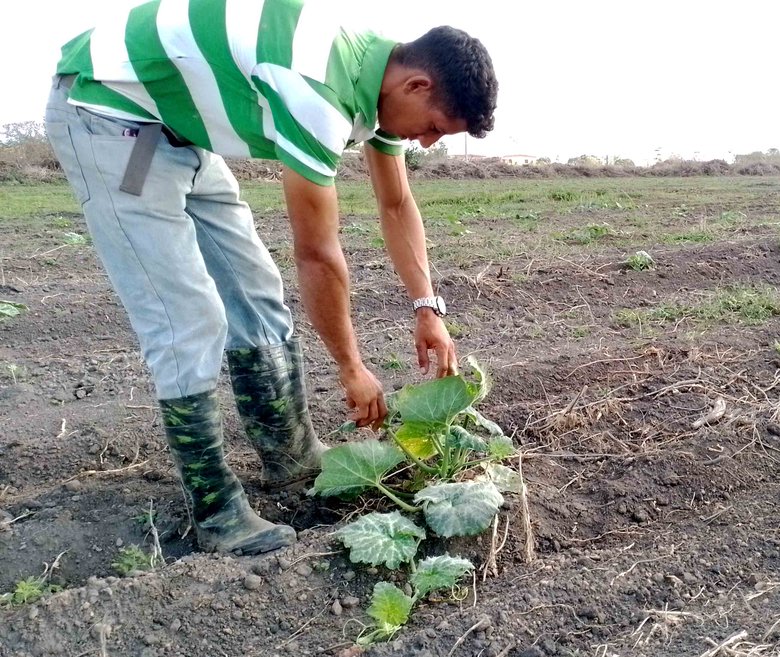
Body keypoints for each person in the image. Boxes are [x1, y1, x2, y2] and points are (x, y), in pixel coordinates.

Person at [43, 0, 498, 556]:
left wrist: (428, 307)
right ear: (417, 86)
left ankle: (291, 460)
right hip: (111, 117)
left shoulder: (378, 79)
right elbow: (316, 254)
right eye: (433, 128)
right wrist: (351, 368)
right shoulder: (316, 91)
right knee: (187, 317)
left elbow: (397, 204)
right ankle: (216, 512)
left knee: (256, 294)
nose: (427, 143)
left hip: (179, 128)